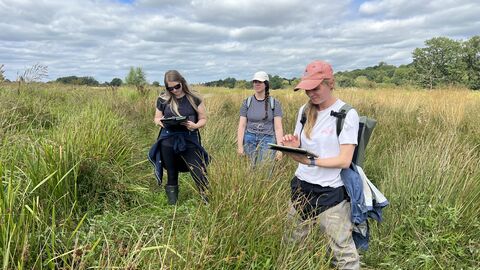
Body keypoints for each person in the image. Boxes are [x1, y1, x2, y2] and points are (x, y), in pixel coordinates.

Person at [281, 60, 360, 269]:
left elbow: (344, 160)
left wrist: (310, 161)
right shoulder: (304, 111)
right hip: (301, 187)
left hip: (331, 194)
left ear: (330, 83)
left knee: (343, 252)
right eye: (307, 89)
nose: (311, 94)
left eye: (315, 88)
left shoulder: (346, 114)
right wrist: (292, 145)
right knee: (292, 242)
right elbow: (300, 142)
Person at [149, 70, 209, 205]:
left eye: (177, 86)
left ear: (182, 83)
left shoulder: (194, 98)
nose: (174, 90)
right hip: (168, 140)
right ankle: (173, 205)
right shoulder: (163, 99)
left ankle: (207, 202)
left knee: (198, 170)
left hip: (189, 138)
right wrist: (162, 122)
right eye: (170, 88)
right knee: (171, 172)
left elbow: (203, 119)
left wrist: (195, 126)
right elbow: (157, 118)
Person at [237, 71, 284, 165]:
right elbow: (241, 126)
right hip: (249, 138)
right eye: (255, 82)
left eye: (259, 82)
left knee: (265, 170)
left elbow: (278, 128)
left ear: (266, 84)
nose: (256, 84)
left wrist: (280, 148)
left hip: (268, 139)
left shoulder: (274, 103)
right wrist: (240, 147)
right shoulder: (247, 102)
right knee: (249, 169)